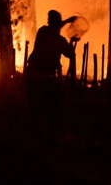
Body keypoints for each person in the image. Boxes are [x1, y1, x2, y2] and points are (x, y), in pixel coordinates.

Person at [25, 10, 78, 141]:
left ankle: (35, 137)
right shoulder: (59, 40)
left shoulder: (42, 32)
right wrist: (71, 40)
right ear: (58, 24)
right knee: (52, 108)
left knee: (35, 107)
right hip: (45, 78)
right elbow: (70, 54)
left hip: (32, 75)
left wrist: (66, 21)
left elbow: (54, 28)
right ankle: (49, 137)